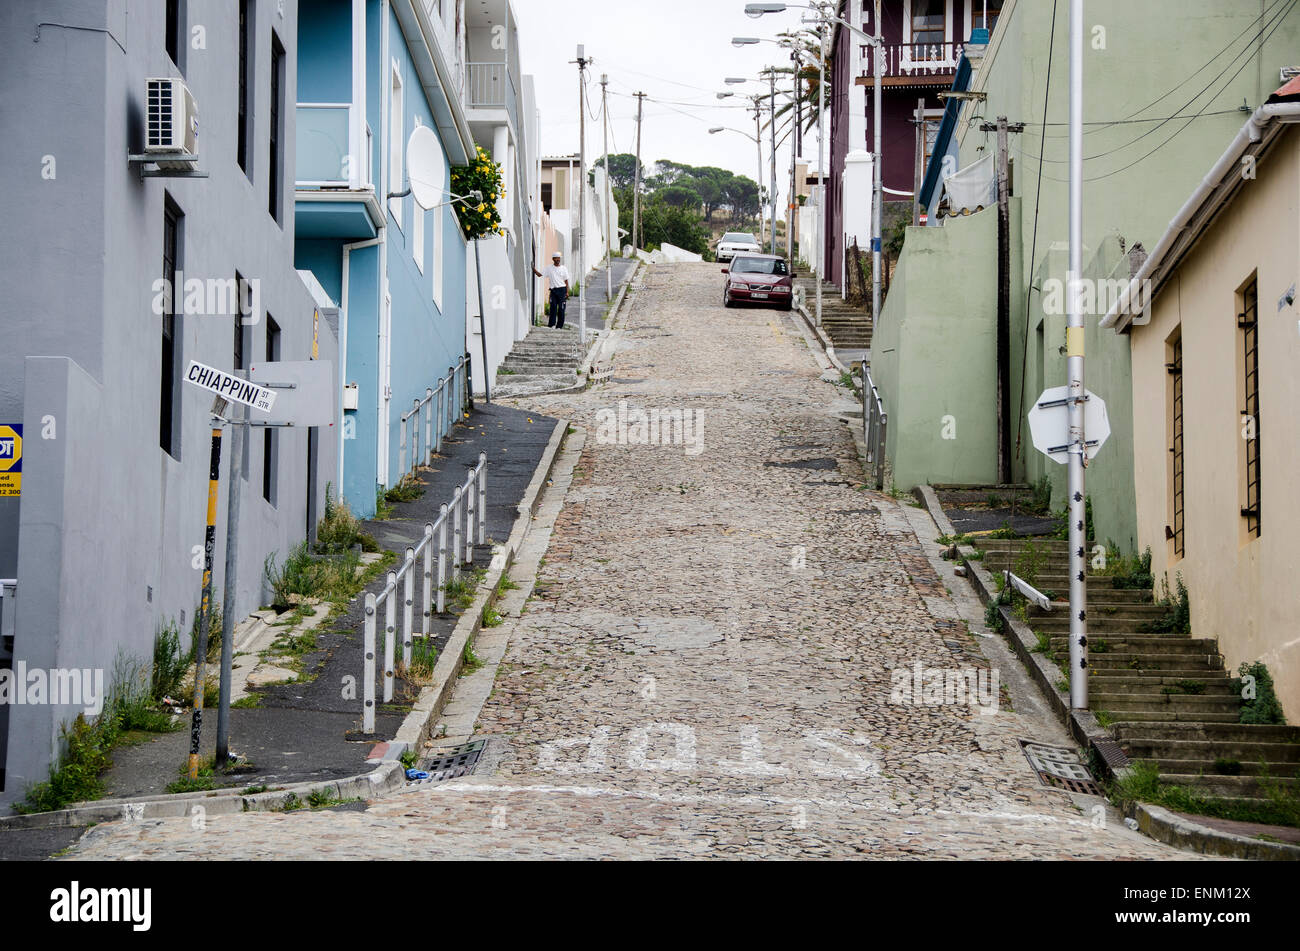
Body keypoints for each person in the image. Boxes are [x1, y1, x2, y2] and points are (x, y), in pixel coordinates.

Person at [534, 252, 571, 328]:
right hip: (553, 291)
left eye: (559, 258)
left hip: (562, 290)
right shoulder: (549, 268)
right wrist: (533, 269)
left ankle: (559, 326)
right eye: (556, 258)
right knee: (553, 308)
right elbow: (540, 274)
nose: (558, 260)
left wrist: (567, 292)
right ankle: (551, 325)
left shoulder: (563, 268)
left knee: (561, 309)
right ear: (553, 259)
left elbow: (566, 281)